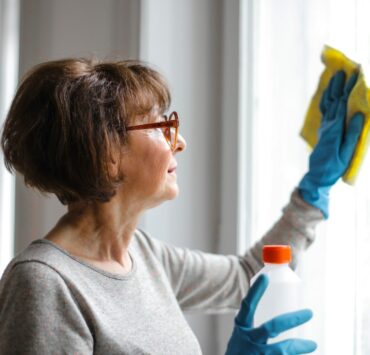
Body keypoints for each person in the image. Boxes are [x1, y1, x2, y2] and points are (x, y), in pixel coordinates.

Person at [0, 57, 362, 354]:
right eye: (161, 126)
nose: (181, 143)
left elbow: (247, 276)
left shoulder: (143, 254)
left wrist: (314, 188)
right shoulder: (44, 284)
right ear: (106, 151)